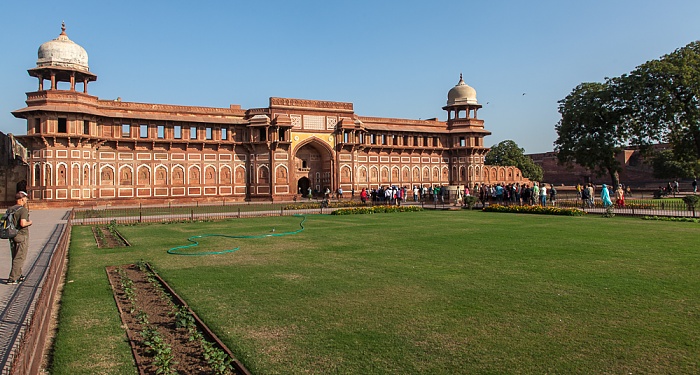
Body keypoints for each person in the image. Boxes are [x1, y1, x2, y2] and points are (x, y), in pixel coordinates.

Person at [7, 191, 32, 285]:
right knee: (20, 257)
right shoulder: (23, 210)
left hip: (11, 235)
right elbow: (23, 223)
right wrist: (30, 222)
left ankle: (19, 274)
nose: (26, 200)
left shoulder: (10, 209)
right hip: (21, 235)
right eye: (25, 198)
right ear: (22, 199)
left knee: (15, 256)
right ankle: (13, 278)